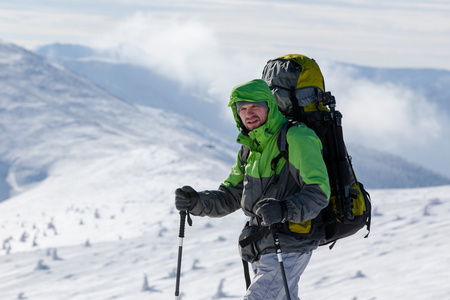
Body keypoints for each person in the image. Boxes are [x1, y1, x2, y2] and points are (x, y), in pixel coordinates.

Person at [175, 79, 330, 300]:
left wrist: (285, 209)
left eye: (255, 106)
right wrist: (196, 201)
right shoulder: (250, 149)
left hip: (289, 242)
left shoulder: (296, 137)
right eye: (242, 109)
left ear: (269, 105)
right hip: (263, 245)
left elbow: (319, 192)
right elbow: (230, 196)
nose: (249, 113)